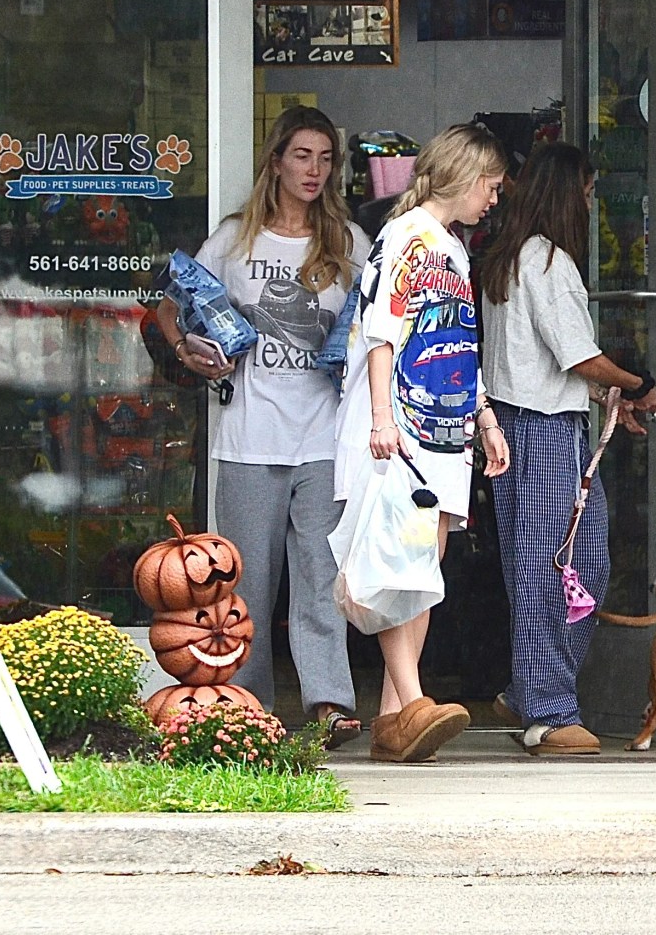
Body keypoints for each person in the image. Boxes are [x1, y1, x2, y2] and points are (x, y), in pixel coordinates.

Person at [157, 106, 371, 747]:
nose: (314, 170)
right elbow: (171, 310)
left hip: (325, 435)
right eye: (302, 155)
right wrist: (187, 352)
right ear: (276, 160)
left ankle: (329, 703)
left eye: (326, 157)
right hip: (247, 433)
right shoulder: (234, 240)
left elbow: (381, 325)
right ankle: (245, 706)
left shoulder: (349, 243)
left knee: (318, 576)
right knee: (246, 582)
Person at [334, 123, 510, 762]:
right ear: (462, 175)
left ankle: (393, 719)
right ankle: (411, 701)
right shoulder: (408, 238)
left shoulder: (450, 246)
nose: (493, 199)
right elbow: (380, 334)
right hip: (407, 428)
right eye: (489, 185)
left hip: (444, 429)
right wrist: (382, 419)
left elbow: (460, 343)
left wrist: (483, 418)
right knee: (401, 566)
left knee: (422, 570)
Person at [480, 141, 656, 756]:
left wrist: (609, 396)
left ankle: (529, 691)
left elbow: (550, 360)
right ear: (569, 195)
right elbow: (578, 356)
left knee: (561, 566)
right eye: (587, 193)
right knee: (555, 571)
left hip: (525, 424)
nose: (591, 204)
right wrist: (637, 384)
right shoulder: (548, 262)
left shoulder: (509, 258)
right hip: (542, 431)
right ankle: (549, 713)